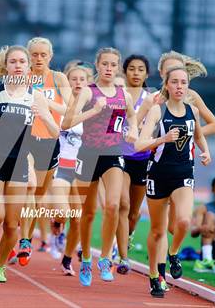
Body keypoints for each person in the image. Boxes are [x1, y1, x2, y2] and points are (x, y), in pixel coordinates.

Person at [0, 45, 59, 282]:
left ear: (28, 66)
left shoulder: (36, 95)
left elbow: (55, 131)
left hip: (19, 163)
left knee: (12, 225)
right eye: (13, 61)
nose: (18, 65)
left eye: (22, 61)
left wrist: (42, 115)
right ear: (6, 65)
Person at [136, 50, 215, 290]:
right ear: (166, 84)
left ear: (188, 86)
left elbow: (200, 135)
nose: (180, 87)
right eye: (175, 82)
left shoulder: (192, 110)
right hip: (157, 175)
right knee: (157, 230)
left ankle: (173, 253)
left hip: (183, 173)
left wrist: (205, 151)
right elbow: (140, 144)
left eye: (184, 82)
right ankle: (155, 277)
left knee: (183, 221)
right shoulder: (156, 109)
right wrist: (162, 139)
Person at [62, 47, 138, 286]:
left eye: (113, 65)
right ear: (97, 65)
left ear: (118, 67)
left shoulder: (123, 95)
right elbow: (66, 122)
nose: (108, 68)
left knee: (114, 205)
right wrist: (94, 110)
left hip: (113, 152)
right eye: (105, 64)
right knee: (88, 212)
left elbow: (132, 117)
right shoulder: (87, 92)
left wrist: (133, 130)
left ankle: (105, 259)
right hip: (88, 153)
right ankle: (85, 258)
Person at [17, 37, 71, 266]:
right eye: (34, 54)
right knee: (29, 188)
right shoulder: (21, 77)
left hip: (50, 142)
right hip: (25, 140)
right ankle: (25, 241)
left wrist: (43, 104)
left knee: (38, 197)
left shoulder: (58, 79)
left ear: (50, 56)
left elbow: (67, 109)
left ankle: (28, 229)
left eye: (43, 55)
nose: (38, 59)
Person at [50, 63, 93, 274]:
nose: (78, 83)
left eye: (82, 79)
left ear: (89, 83)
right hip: (61, 168)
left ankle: (67, 258)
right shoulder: (59, 107)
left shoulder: (95, 110)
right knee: (64, 213)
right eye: (73, 79)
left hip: (82, 170)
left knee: (78, 218)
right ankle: (57, 219)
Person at [116, 54, 151, 275]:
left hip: (142, 157)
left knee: (134, 213)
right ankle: (121, 254)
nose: (136, 73)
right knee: (123, 204)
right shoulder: (117, 94)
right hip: (119, 156)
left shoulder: (152, 98)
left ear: (146, 74)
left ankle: (126, 237)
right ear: (125, 71)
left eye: (140, 69)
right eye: (131, 69)